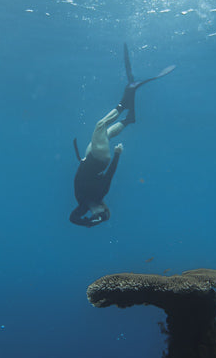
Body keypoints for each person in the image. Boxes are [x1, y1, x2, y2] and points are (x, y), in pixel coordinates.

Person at [69, 44, 174, 227]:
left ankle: (128, 117)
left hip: (89, 159)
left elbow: (72, 219)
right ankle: (124, 108)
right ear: (103, 208)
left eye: (97, 215)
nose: (96, 212)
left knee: (103, 130)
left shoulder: (83, 206)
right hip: (100, 160)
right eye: (101, 213)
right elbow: (110, 175)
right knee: (100, 127)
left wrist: (89, 223)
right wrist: (117, 154)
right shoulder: (100, 194)